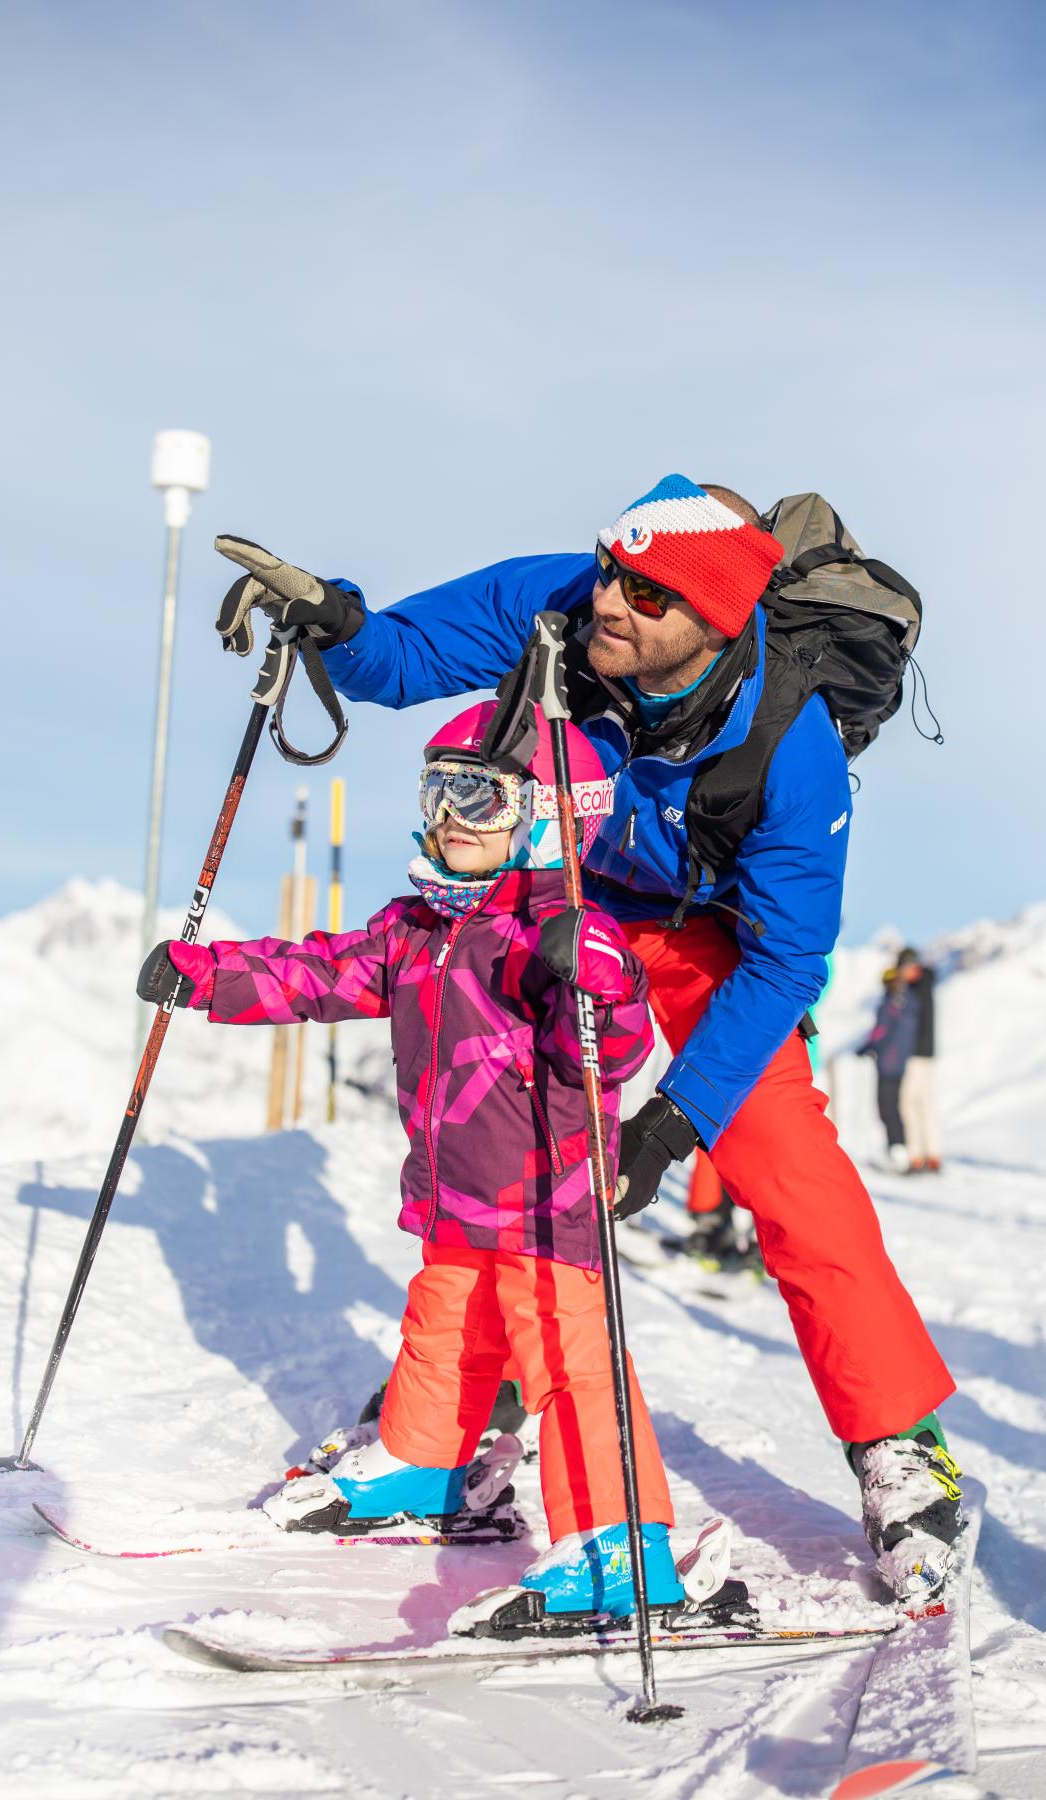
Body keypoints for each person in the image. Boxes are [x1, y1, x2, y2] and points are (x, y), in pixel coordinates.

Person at [211, 474, 964, 1600]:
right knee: (507, 1154)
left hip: (712, 938)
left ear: (714, 620)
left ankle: (898, 1442)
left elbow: (787, 962)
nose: (611, 598)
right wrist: (336, 621)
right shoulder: (560, 606)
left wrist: (674, 1120)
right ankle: (463, 1423)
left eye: (646, 593)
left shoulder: (791, 743)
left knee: (787, 1170)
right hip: (561, 905)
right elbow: (401, 661)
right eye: (612, 568)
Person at [138, 700, 689, 1630]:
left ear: (550, 817)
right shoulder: (418, 927)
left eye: (480, 797)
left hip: (547, 1206)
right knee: (444, 1329)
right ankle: (424, 1465)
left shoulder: (560, 933)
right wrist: (210, 974)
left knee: (571, 1360)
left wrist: (595, 975)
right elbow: (319, 972)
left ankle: (621, 1546)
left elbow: (615, 1048)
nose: (450, 816)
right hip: (455, 1198)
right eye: (439, 791)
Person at [860, 968, 918, 1173]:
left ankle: (897, 1154)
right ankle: (899, 1152)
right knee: (893, 1107)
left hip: (887, 1063)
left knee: (887, 1108)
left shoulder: (889, 1005)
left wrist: (869, 1047)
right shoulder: (907, 1004)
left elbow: (881, 1032)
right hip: (899, 1063)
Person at [896, 947, 942, 1172]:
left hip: (914, 1054)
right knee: (925, 1105)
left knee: (908, 1104)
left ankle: (916, 1157)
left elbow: (909, 1024)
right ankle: (933, 1155)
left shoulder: (915, 990)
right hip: (926, 1054)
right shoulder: (926, 984)